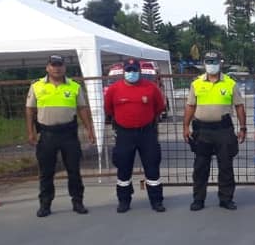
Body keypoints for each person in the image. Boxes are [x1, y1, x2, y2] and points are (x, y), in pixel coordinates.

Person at [25, 54, 97, 218]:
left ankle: (78, 202)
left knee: (74, 170)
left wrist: (90, 130)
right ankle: (45, 204)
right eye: (53, 65)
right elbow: (30, 110)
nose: (57, 68)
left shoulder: (74, 86)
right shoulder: (36, 86)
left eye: (59, 65)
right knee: (46, 172)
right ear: (47, 68)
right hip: (47, 134)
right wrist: (30, 132)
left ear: (64, 67)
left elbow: (82, 109)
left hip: (68, 134)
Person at [182, 50, 247, 211]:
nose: (212, 65)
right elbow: (190, 106)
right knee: (200, 167)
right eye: (209, 62)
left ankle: (226, 199)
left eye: (215, 62)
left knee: (225, 166)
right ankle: (198, 199)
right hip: (202, 130)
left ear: (220, 63)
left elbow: (239, 106)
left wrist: (243, 127)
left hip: (223, 130)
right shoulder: (196, 83)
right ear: (204, 64)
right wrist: (185, 126)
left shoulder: (230, 83)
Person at [104, 58, 167, 214]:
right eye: (128, 70)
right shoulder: (114, 89)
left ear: (139, 71)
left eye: (134, 70)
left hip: (147, 133)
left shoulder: (151, 88)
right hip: (124, 134)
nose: (131, 73)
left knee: (152, 167)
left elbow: (159, 107)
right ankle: (124, 201)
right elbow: (109, 109)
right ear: (124, 71)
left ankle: (156, 201)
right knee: (123, 168)